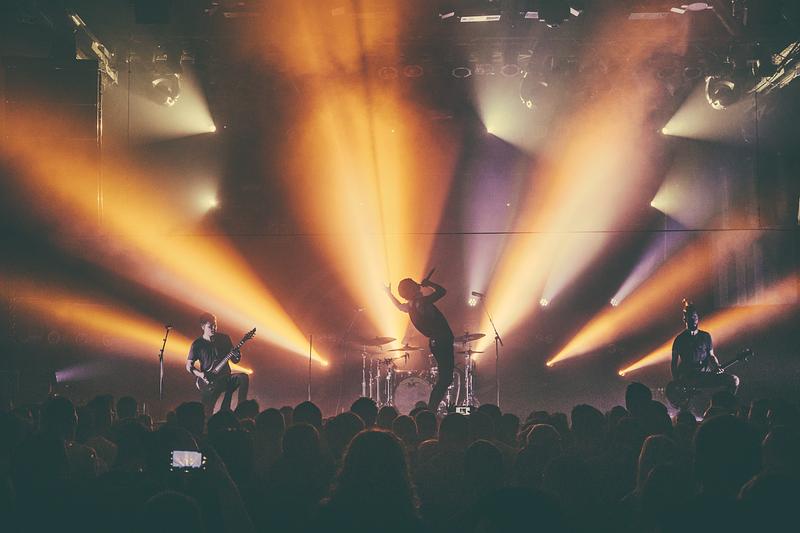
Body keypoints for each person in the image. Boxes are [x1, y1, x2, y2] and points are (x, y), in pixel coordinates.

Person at [385, 275, 454, 412]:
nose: (417, 284)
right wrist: (429, 283)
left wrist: (388, 293)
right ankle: (431, 410)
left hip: (436, 341)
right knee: (445, 379)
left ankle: (431, 409)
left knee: (445, 379)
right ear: (411, 289)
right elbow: (442, 291)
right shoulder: (421, 302)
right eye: (413, 283)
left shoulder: (410, 306)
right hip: (442, 340)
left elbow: (399, 306)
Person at [668, 301, 738, 409]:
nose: (693, 320)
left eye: (695, 317)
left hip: (705, 375)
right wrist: (677, 382)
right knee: (685, 404)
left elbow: (711, 355)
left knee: (734, 380)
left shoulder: (705, 336)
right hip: (688, 378)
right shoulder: (679, 339)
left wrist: (717, 365)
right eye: (690, 317)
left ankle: (725, 406)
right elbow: (674, 363)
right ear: (684, 319)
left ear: (698, 318)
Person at [186, 312, 249, 415]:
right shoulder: (197, 344)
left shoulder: (225, 339)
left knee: (243, 378)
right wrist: (201, 374)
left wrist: (238, 355)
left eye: (215, 325)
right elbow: (189, 366)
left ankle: (241, 410)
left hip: (226, 378)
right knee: (207, 411)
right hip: (210, 381)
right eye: (210, 326)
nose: (213, 328)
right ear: (203, 327)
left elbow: (235, 360)